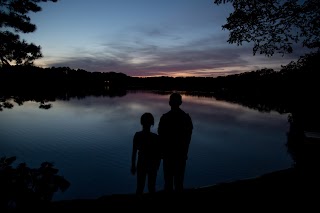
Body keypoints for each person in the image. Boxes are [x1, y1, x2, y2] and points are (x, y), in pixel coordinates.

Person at [158, 92, 193, 193]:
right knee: (179, 182)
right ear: (181, 103)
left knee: (168, 182)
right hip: (180, 155)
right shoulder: (186, 118)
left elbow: (161, 137)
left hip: (168, 155)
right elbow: (188, 138)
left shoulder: (164, 118)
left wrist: (162, 153)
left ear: (169, 103)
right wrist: (185, 152)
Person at [131, 112, 161, 195]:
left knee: (140, 187)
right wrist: (158, 165)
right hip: (151, 165)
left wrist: (133, 165)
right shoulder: (156, 137)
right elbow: (159, 154)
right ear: (152, 123)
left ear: (141, 122)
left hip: (143, 164)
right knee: (151, 187)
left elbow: (134, 152)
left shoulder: (138, 135)